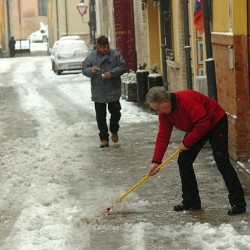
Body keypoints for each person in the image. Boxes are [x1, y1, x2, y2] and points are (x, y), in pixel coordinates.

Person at [146, 86, 247, 215]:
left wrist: (186, 143)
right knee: (184, 161)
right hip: (197, 126)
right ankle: (191, 201)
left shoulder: (186, 100)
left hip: (215, 122)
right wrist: (156, 161)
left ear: (166, 101)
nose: (158, 112)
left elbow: (203, 124)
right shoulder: (165, 114)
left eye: (158, 108)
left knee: (222, 161)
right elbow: (163, 135)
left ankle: (238, 203)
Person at [82, 35, 126, 147]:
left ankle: (114, 129)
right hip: (98, 90)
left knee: (116, 112)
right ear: (97, 46)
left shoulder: (115, 55)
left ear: (108, 45)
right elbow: (84, 69)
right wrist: (91, 70)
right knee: (100, 116)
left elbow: (122, 67)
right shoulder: (91, 57)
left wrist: (112, 73)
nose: (103, 50)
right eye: (101, 48)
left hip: (113, 89)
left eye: (105, 47)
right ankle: (104, 138)